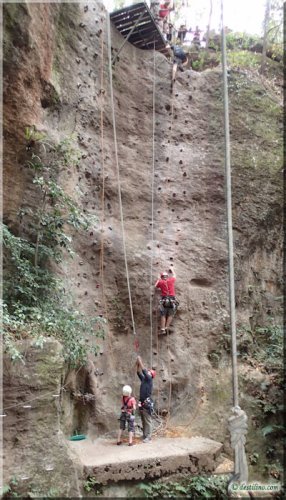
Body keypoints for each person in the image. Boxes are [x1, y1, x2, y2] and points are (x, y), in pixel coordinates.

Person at [136, 356, 156, 443]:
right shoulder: (144, 379)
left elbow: (143, 371)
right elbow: (138, 373)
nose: (147, 372)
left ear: (151, 375)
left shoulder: (149, 379)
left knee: (148, 420)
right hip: (142, 402)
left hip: (146, 403)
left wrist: (140, 361)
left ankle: (149, 437)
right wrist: (137, 365)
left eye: (149, 372)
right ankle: (144, 435)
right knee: (143, 419)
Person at [155, 267, 178, 334]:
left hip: (164, 299)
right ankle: (166, 327)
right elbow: (175, 276)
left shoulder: (161, 282)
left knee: (163, 314)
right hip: (172, 299)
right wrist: (172, 269)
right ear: (167, 277)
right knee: (170, 314)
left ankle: (162, 329)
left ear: (162, 277)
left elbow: (155, 286)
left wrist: (158, 279)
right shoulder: (171, 280)